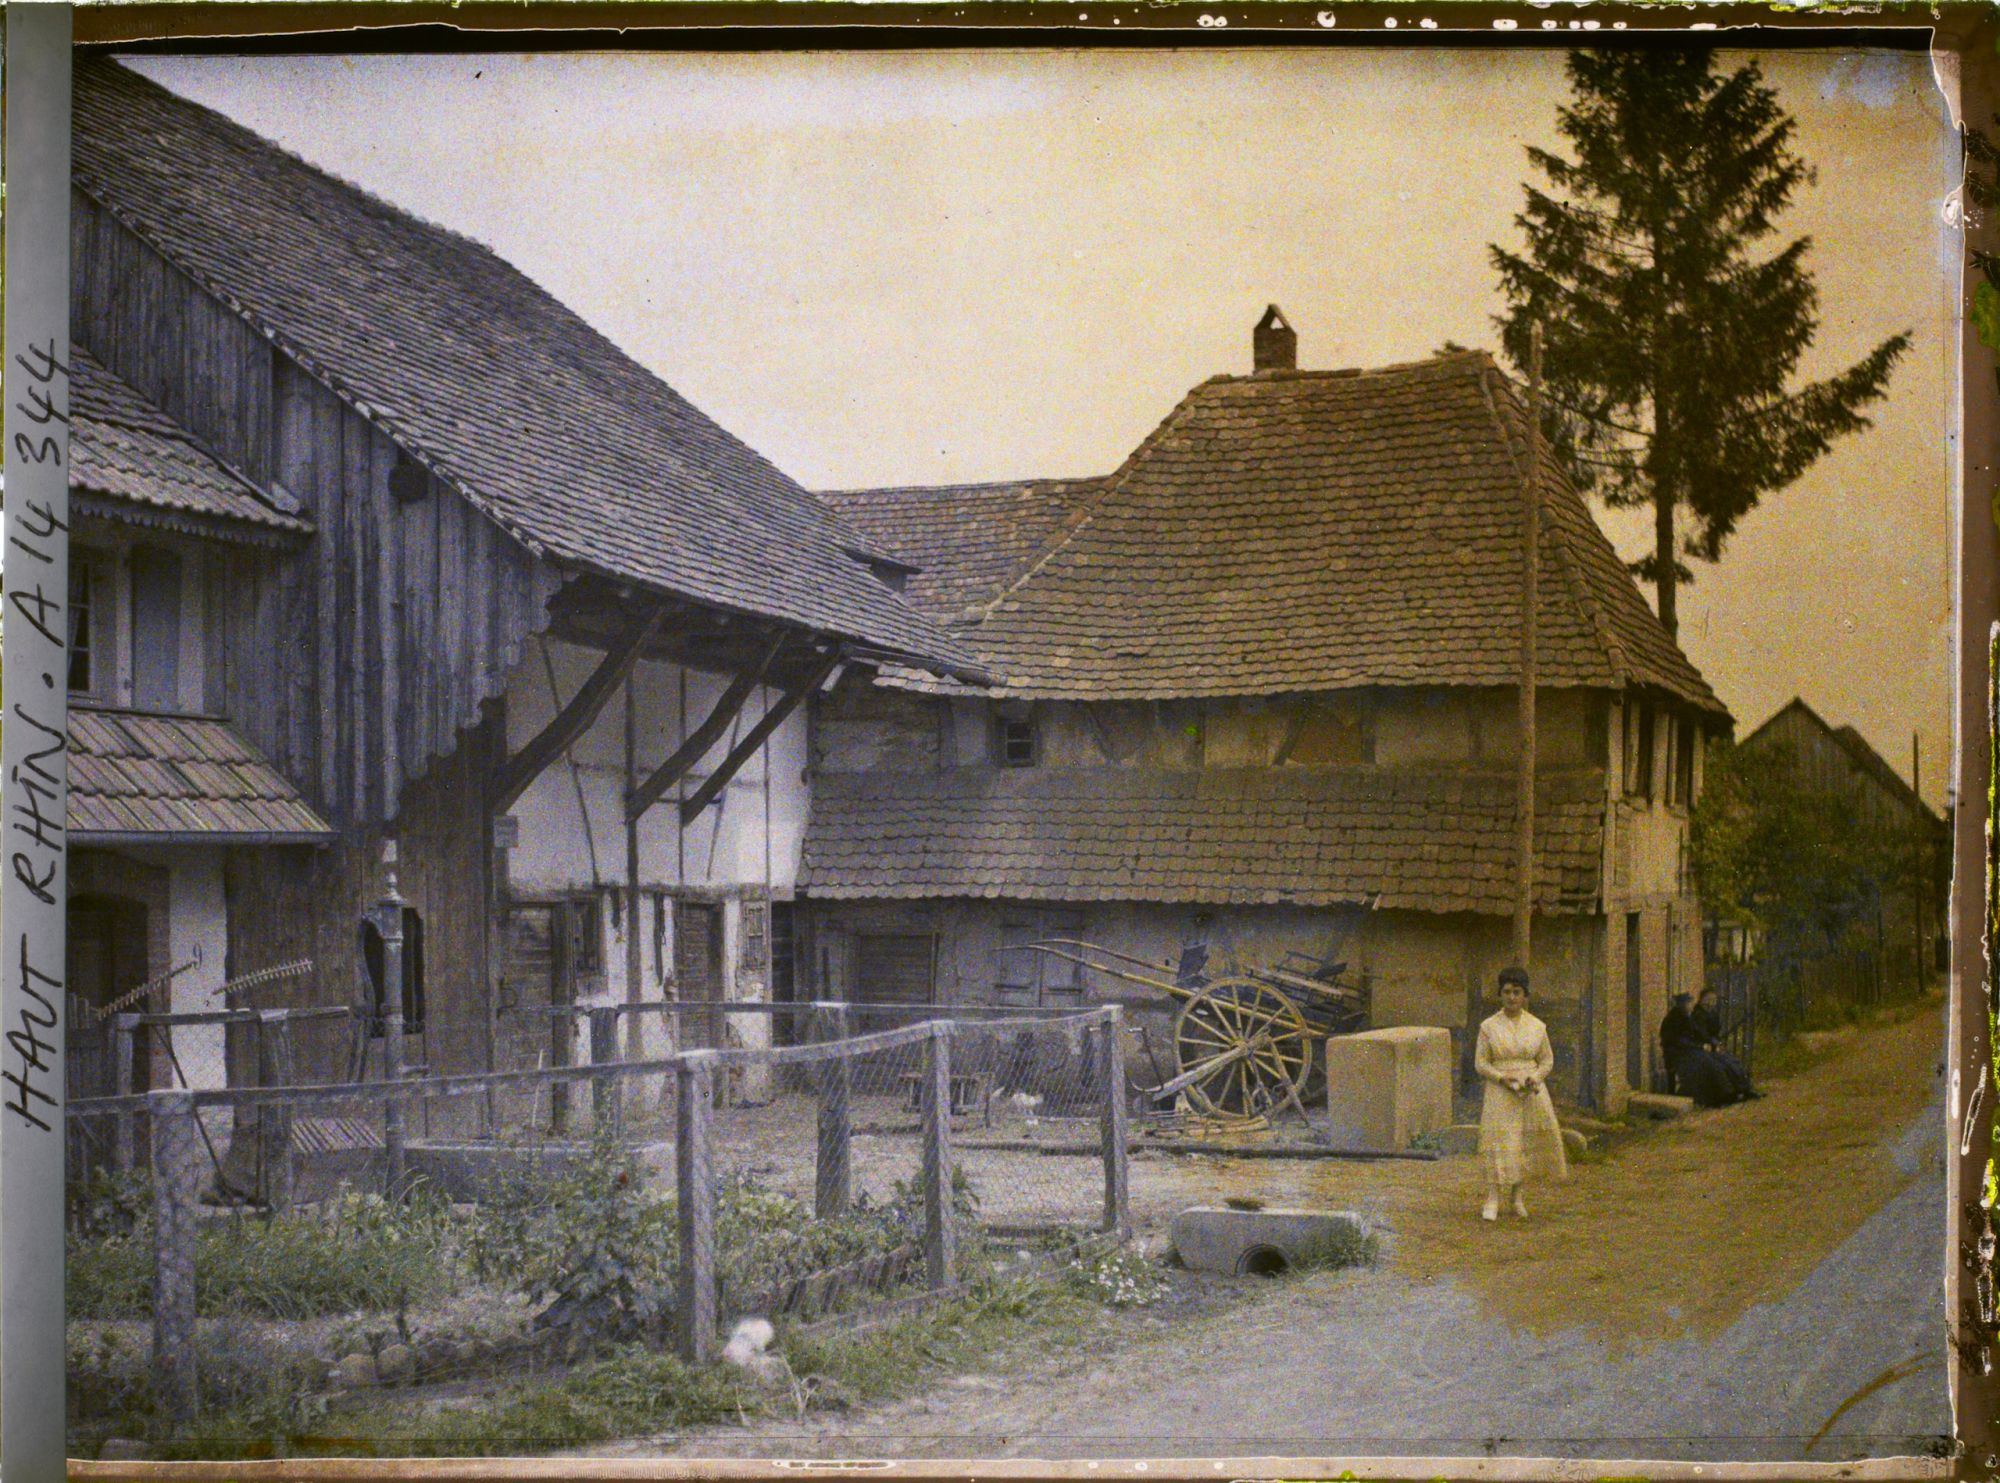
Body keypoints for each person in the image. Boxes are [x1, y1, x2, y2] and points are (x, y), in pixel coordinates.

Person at [1474, 966, 1568, 1221]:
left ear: (1525, 995)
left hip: (1529, 1091)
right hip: (1500, 1089)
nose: (1512, 997)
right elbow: (1481, 1063)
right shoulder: (1489, 1027)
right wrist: (1501, 1078)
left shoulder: (1537, 1026)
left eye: (1517, 992)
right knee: (1499, 1140)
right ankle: (1493, 1198)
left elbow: (1546, 1060)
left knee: (1523, 1142)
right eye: (1506, 992)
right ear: (1500, 994)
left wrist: (1534, 1079)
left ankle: (1517, 1197)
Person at [1690, 988, 1758, 1102]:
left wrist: (1717, 1043)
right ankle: (1731, 1093)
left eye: (1713, 1000)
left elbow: (1716, 1032)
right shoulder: (1697, 1015)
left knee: (1732, 1061)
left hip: (1713, 1045)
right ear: (1701, 1000)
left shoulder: (1713, 1014)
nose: (1711, 1003)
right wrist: (1713, 1043)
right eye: (1708, 999)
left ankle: (1745, 1088)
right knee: (1723, 1064)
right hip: (1702, 1047)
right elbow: (1701, 1034)